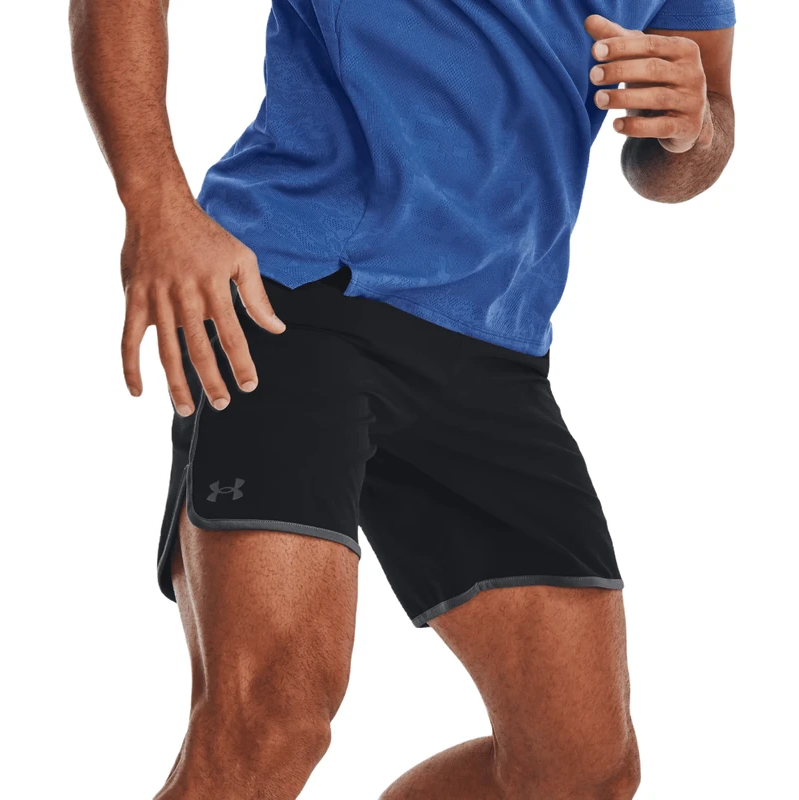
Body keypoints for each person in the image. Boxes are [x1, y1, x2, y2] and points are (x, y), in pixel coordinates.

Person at [70, 0, 735, 797]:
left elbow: (694, 133)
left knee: (580, 771)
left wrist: (693, 127)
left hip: (498, 341)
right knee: (271, 722)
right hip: (299, 291)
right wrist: (155, 203)